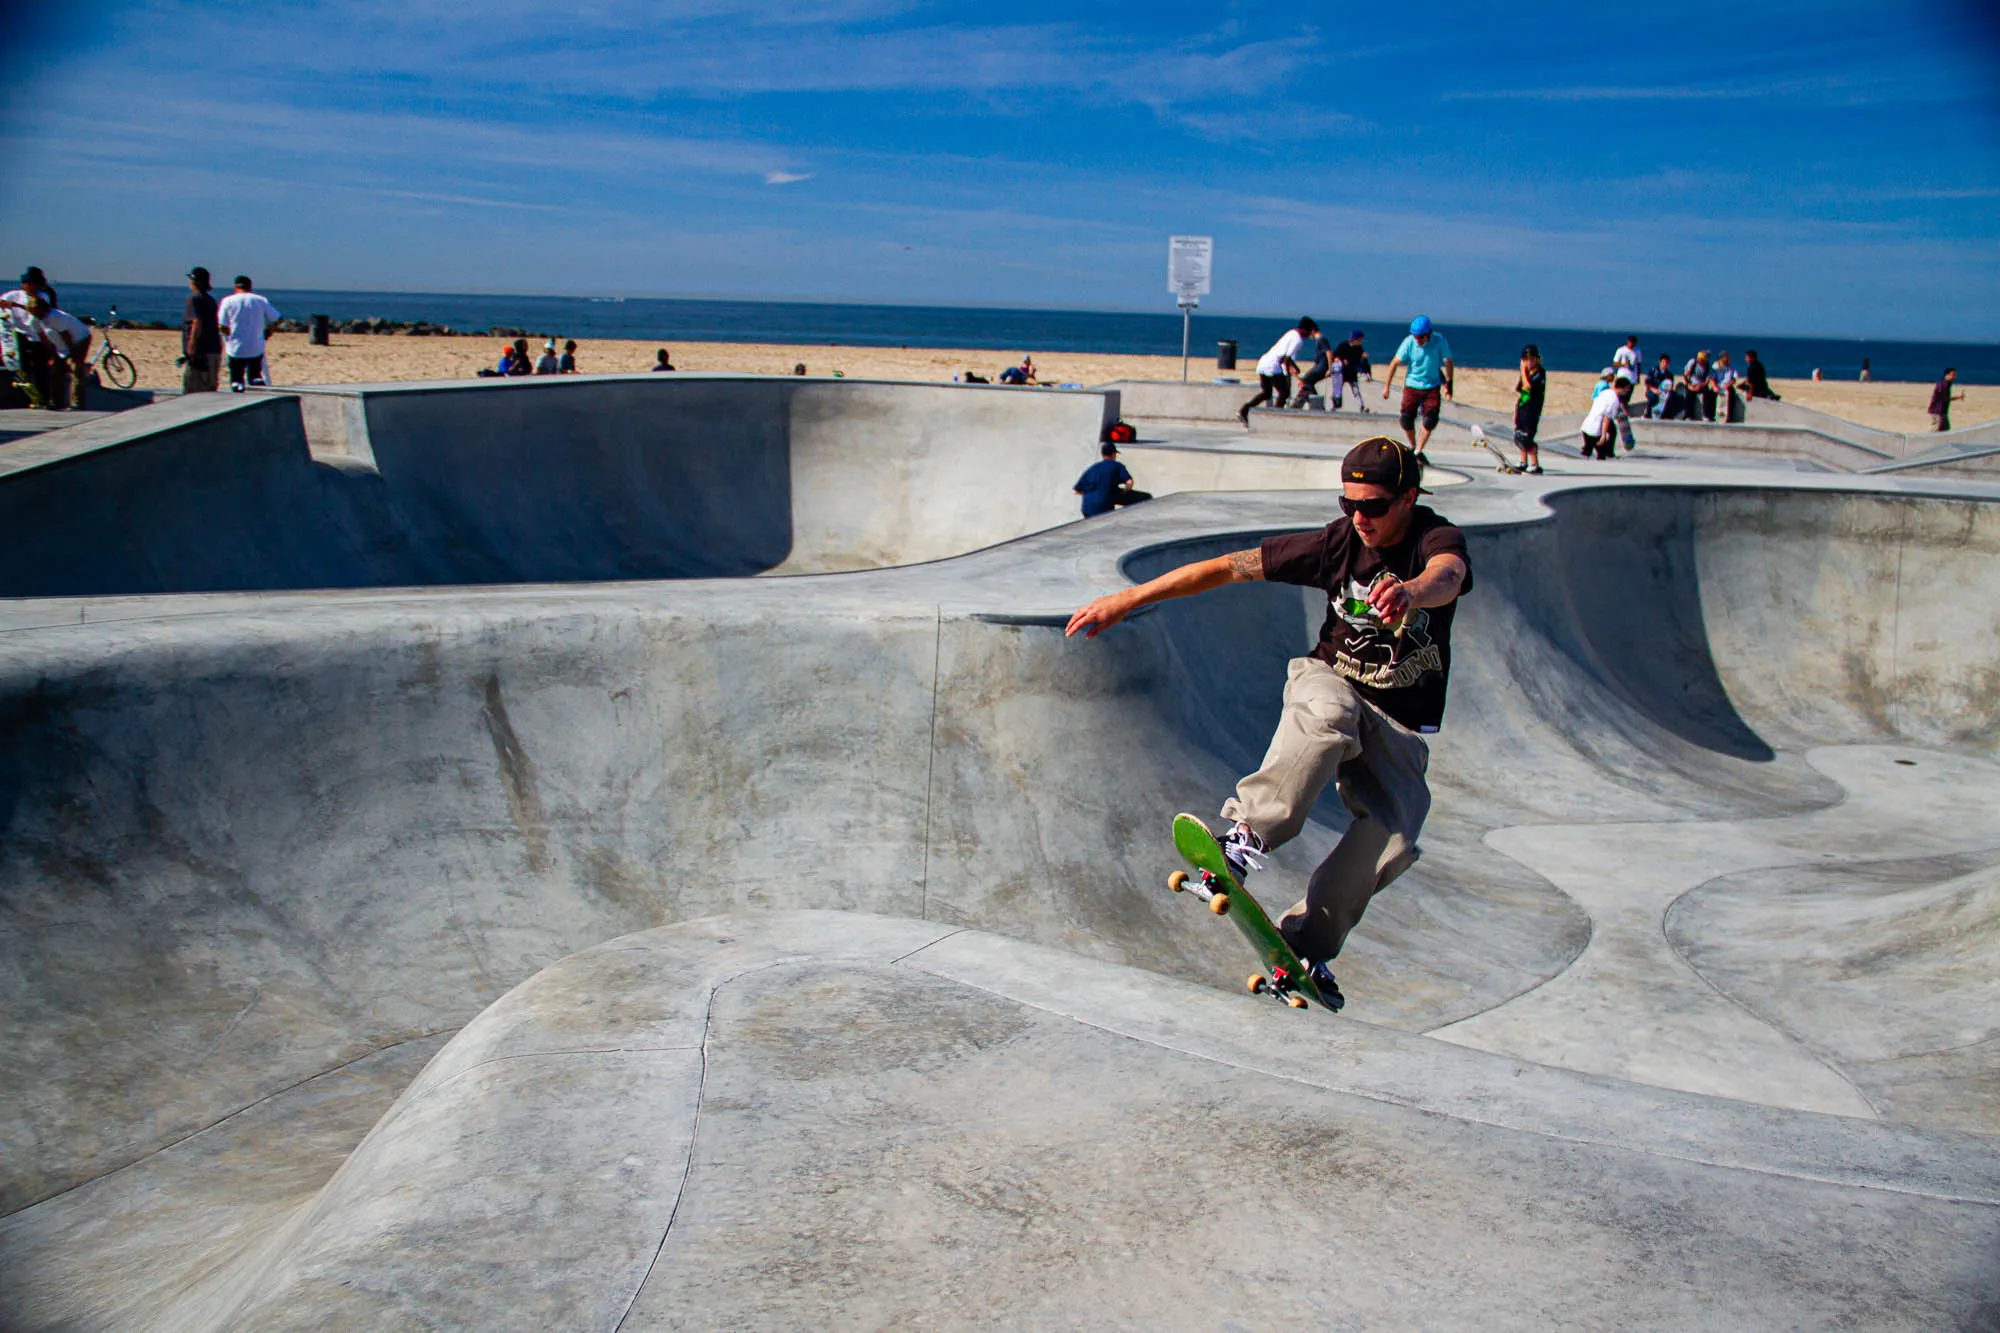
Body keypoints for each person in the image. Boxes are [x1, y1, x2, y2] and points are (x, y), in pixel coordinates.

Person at [1065, 437, 1470, 1009]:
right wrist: (1132, 597)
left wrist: (1409, 591)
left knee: (1397, 834)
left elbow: (1448, 574)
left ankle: (1305, 947)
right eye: (1347, 504)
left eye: (1373, 507)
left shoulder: (1437, 537)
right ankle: (1246, 835)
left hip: (1399, 720)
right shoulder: (1336, 544)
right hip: (1332, 678)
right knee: (1328, 713)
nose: (1359, 518)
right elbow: (1229, 569)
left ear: (1408, 498)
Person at [1381, 315, 1453, 456]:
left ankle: (1419, 451)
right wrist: (1386, 386)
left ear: (1428, 334)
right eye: (1416, 337)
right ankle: (1413, 446)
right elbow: (1394, 363)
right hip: (1412, 385)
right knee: (1406, 419)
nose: (1418, 340)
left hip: (1432, 385)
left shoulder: (1439, 341)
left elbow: (1448, 362)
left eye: (1421, 337)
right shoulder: (1409, 342)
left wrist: (1449, 384)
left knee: (1430, 419)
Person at [1239, 317, 1317, 424]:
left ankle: (1243, 411)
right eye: (1310, 332)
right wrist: (1292, 379)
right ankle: (1275, 418)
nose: (1310, 335)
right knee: (1284, 393)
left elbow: (1286, 357)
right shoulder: (1298, 340)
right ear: (1305, 330)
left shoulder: (1291, 333)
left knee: (1267, 393)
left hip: (1264, 362)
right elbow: (1286, 360)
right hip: (1273, 366)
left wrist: (1295, 368)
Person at [217, 276, 281, 390]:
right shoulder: (260, 300)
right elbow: (278, 319)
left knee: (236, 377)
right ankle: (256, 384)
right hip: (256, 346)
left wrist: (227, 337)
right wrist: (268, 332)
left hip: (235, 347)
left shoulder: (227, 301)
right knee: (255, 375)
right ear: (250, 287)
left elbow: (222, 325)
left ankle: (238, 387)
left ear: (235, 287)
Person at [2, 272, 54, 408]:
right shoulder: (14, 295)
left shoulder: (42, 296)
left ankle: (45, 398)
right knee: (22, 366)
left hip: (37, 336)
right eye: (27, 284)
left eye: (33, 284)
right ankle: (31, 396)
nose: (30, 287)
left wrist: (15, 305)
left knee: (40, 367)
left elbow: (36, 310)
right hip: (20, 334)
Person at [34, 298, 91, 410]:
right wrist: (53, 355)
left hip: (79, 339)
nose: (34, 313)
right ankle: (57, 402)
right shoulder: (36, 320)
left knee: (76, 369)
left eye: (36, 310)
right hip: (60, 346)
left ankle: (77, 402)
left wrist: (72, 354)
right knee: (56, 370)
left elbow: (66, 336)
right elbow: (45, 339)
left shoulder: (55, 317)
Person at [1072, 441, 1152, 517]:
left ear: (1102, 454)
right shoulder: (1117, 466)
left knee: (1111, 492)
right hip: (1104, 507)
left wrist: (1093, 493)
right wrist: (1124, 491)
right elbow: (1129, 482)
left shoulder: (1092, 469)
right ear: (1114, 454)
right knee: (1145, 497)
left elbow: (1076, 490)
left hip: (1087, 509)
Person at [182, 267, 221, 393]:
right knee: (210, 389)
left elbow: (196, 322)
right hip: (213, 349)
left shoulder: (193, 299)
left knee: (192, 390)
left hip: (200, 352)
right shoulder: (211, 300)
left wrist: (191, 347)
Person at [1579, 373, 1632, 459]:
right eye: (1627, 389)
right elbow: (1606, 419)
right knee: (1601, 455)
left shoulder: (1606, 392)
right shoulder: (1614, 399)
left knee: (1588, 452)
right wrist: (1603, 436)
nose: (1628, 391)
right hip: (1594, 431)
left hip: (1586, 426)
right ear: (1623, 388)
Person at [1513, 344, 1546, 474]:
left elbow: (1528, 386)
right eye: (1526, 360)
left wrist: (1522, 370)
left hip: (1532, 410)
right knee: (1519, 435)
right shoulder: (1527, 373)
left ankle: (1534, 464)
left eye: (1532, 359)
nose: (1529, 362)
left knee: (1527, 437)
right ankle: (1523, 461)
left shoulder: (1540, 373)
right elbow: (1520, 389)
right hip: (1523, 407)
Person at [1293, 327, 1335, 407]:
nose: (1309, 336)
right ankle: (1316, 403)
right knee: (1309, 383)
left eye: (1309, 334)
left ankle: (1299, 403)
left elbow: (1329, 352)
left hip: (1322, 367)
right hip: (1320, 366)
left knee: (1305, 381)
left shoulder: (1321, 339)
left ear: (1313, 331)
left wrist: (1330, 368)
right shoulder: (1319, 340)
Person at [1332, 330, 1369, 412]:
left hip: (1352, 373)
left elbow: (1361, 362)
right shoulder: (1343, 345)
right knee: (1337, 390)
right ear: (1356, 339)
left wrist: (1364, 358)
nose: (1361, 341)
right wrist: (1339, 359)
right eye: (1360, 339)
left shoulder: (1359, 348)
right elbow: (1335, 355)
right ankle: (1334, 407)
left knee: (1356, 390)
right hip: (1341, 372)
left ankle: (1361, 406)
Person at [1683, 350, 1716, 421]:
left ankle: (1706, 415)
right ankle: (1688, 415)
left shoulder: (1708, 368)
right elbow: (1685, 375)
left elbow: (1707, 382)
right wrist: (1689, 385)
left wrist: (1700, 386)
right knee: (1689, 395)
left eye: (1701, 359)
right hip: (1691, 383)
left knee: (1708, 394)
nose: (1699, 360)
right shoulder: (1692, 363)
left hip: (1701, 385)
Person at [1644, 352, 1675, 418]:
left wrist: (1667, 391)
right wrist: (1654, 389)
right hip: (1652, 390)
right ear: (1660, 362)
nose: (1665, 364)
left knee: (1673, 397)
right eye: (1663, 362)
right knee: (1653, 396)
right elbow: (1647, 382)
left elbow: (1670, 386)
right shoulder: (1653, 370)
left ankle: (1667, 416)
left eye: (1666, 363)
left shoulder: (1669, 374)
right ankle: (1647, 414)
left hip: (1663, 392)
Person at [1713, 352, 1742, 422]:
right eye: (1726, 357)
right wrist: (1715, 386)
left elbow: (1734, 379)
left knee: (1731, 394)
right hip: (1718, 385)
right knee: (1710, 394)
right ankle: (1713, 415)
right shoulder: (1716, 366)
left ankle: (1729, 416)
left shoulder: (1732, 366)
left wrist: (1727, 385)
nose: (1728, 359)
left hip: (1728, 385)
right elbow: (1712, 378)